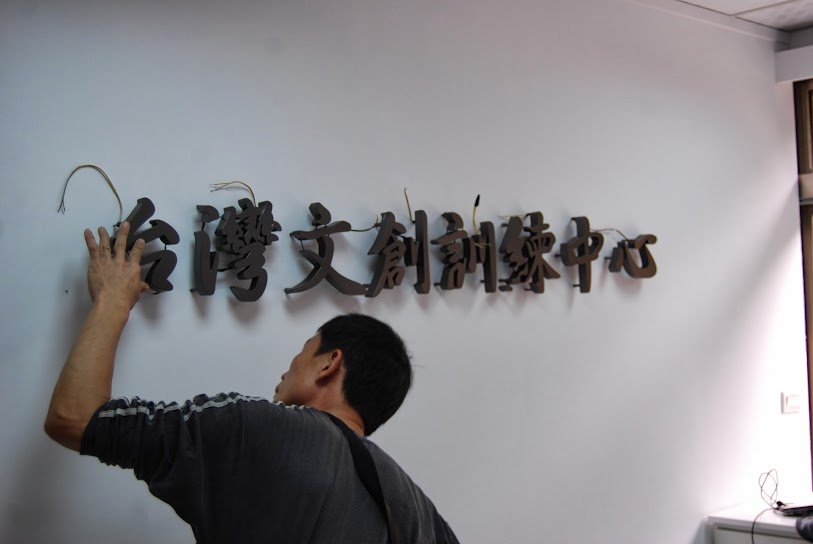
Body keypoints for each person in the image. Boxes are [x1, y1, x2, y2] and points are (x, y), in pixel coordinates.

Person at [44, 222, 459, 544]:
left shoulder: (261, 430)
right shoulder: (423, 514)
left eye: (304, 349)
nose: (287, 368)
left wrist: (113, 301)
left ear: (329, 364)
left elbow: (75, 418)